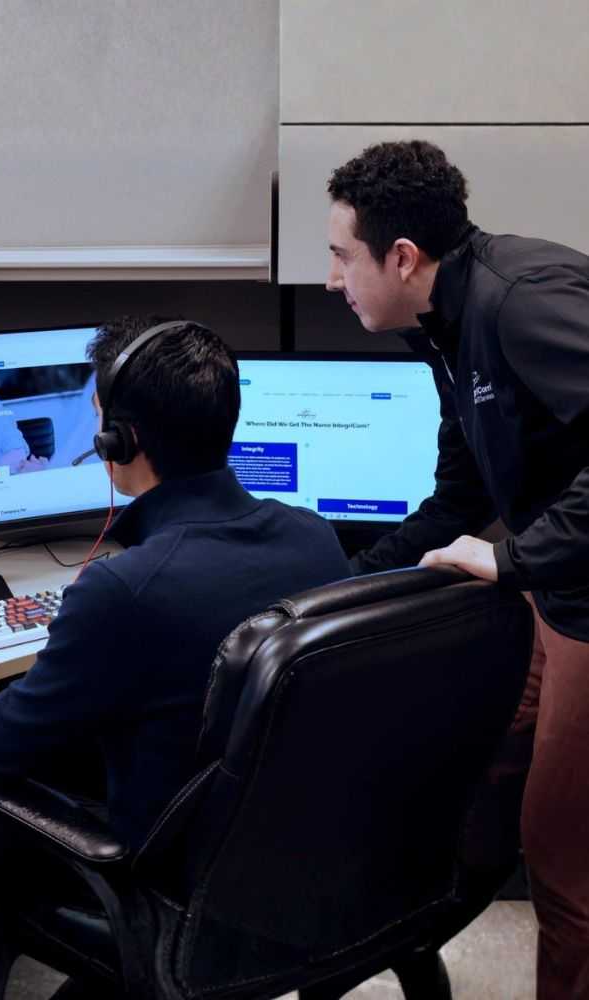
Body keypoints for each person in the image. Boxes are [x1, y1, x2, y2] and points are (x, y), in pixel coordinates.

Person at [0, 317, 351, 853]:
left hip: (167, 862)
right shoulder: (315, 538)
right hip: (292, 847)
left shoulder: (122, 590)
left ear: (121, 441)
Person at [325, 139, 589, 1000]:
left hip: (580, 598)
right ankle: (408, 939)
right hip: (555, 587)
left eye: (342, 256)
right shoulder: (446, 327)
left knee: (565, 860)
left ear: (402, 257)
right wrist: (333, 585)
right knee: (476, 773)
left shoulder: (519, 302)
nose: (332, 279)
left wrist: (513, 558)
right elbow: (455, 500)